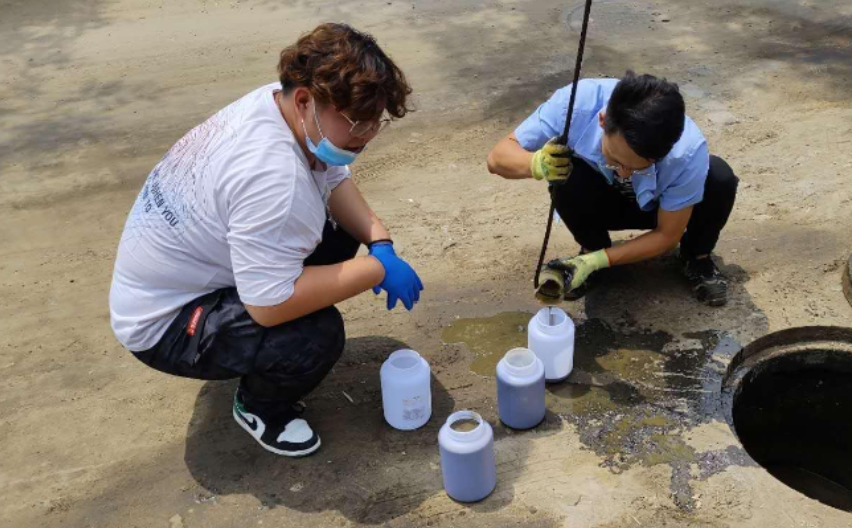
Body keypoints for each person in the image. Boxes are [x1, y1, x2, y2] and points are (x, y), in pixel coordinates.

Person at [109, 23, 423, 457]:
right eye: (356, 122)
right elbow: (269, 305)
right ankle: (260, 406)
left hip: (189, 270)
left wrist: (380, 242)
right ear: (304, 101)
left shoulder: (279, 105)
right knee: (315, 335)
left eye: (376, 124)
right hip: (165, 324)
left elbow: (332, 178)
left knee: (338, 235)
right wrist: (376, 269)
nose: (367, 136)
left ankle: (251, 348)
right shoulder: (274, 179)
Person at [487, 71, 738, 306]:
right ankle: (591, 248)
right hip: (601, 201)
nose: (624, 173)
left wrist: (599, 262)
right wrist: (536, 163)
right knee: (569, 175)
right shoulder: (576, 103)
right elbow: (497, 158)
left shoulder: (687, 150)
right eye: (616, 160)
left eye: (637, 167)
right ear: (603, 121)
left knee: (719, 177)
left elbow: (666, 235)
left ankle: (696, 257)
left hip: (661, 210)